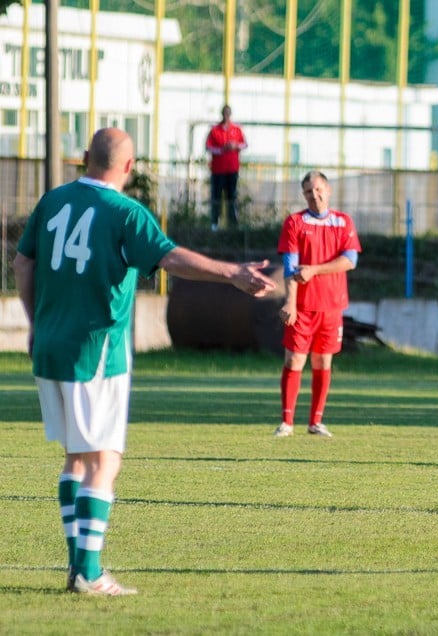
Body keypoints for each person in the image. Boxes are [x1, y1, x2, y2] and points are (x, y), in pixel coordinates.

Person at [13, 128, 276, 596]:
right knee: (104, 460)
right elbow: (170, 257)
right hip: (95, 352)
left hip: (50, 345)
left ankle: (78, 568)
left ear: (85, 158)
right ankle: (89, 573)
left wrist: (36, 322)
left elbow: (23, 263)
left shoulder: (52, 201)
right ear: (130, 168)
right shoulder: (125, 212)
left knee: (77, 458)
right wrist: (232, 274)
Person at [274, 171, 361, 438]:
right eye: (309, 192)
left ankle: (316, 422)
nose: (315, 195)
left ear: (328, 190)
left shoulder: (343, 222)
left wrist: (314, 270)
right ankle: (287, 422)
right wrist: (290, 302)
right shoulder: (295, 222)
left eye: (319, 189)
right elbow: (290, 266)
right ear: (304, 195)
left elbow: (350, 261)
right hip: (303, 306)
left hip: (332, 306)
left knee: (323, 362)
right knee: (295, 359)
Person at [205, 104, 247, 230]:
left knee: (232, 197)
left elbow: (244, 144)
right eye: (225, 113)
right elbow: (208, 147)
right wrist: (221, 150)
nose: (226, 116)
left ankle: (233, 223)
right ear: (222, 114)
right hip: (218, 170)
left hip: (232, 169)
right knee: (216, 197)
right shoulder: (215, 130)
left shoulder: (236, 129)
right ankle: (214, 223)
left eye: (228, 113)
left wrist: (235, 146)